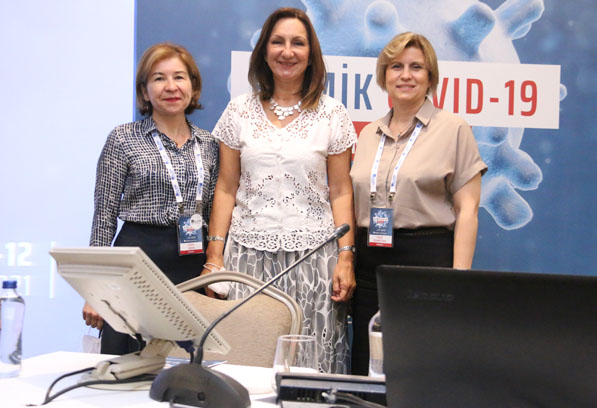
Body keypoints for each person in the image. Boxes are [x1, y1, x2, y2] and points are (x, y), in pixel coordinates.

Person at [204, 7, 357, 374]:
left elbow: (341, 191)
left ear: (311, 54)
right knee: (246, 362)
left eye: (297, 43)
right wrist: (214, 256)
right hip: (247, 260)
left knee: (310, 366)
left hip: (314, 261)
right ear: (264, 51)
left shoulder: (332, 114)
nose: (287, 52)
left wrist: (346, 257)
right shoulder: (239, 111)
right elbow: (226, 188)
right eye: (278, 42)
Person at [349, 32, 488, 375]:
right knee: (367, 365)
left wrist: (459, 279)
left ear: (430, 77)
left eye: (416, 67)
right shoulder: (368, 133)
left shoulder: (454, 128)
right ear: (384, 75)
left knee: (422, 368)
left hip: (427, 263)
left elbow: (468, 210)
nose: (406, 75)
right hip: (370, 266)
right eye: (396, 66)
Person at [82, 43, 219, 355]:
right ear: (144, 91)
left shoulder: (210, 144)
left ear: (193, 87)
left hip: (192, 261)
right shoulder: (122, 138)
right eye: (159, 78)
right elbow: (103, 219)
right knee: (127, 361)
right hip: (137, 259)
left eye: (179, 77)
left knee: (187, 365)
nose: (170, 87)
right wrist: (95, 289)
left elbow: (213, 211)